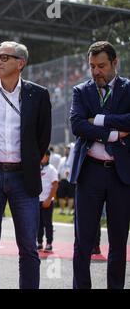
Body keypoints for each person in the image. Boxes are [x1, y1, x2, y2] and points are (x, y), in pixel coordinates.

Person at [0, 41, 52, 289]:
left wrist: (26, 162)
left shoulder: (39, 95)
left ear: (20, 63)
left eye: (5, 57)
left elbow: (43, 137)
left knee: (28, 248)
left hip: (23, 178)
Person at [70, 41, 130, 289]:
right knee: (83, 241)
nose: (96, 71)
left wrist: (100, 120)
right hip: (90, 172)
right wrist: (114, 134)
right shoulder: (81, 91)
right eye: (92, 66)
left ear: (115, 63)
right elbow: (77, 125)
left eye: (102, 66)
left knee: (118, 241)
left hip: (121, 174)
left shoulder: (129, 89)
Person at [37, 150, 59, 252]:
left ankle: (49, 243)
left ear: (48, 157)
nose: (41, 157)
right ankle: (39, 242)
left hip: (47, 201)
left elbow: (55, 185)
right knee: (38, 223)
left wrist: (49, 199)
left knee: (47, 223)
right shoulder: (37, 167)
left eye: (43, 155)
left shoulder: (51, 169)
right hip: (37, 200)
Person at [57, 144, 75, 215]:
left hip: (70, 180)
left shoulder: (73, 159)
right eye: (66, 149)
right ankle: (62, 210)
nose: (66, 150)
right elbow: (58, 170)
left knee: (71, 196)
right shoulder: (62, 159)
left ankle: (69, 210)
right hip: (63, 180)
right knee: (60, 196)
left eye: (68, 149)